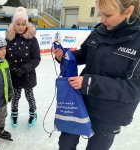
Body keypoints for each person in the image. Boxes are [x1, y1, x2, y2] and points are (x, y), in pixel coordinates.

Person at [54, 0, 140, 149]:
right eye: (100, 14)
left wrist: (89, 83)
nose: (102, 20)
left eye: (107, 15)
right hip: (82, 102)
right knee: (65, 144)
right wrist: (66, 56)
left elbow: (134, 89)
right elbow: (84, 54)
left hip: (110, 114)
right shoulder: (100, 30)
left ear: (128, 11)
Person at [5, 7, 41, 128]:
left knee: (29, 95)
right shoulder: (9, 39)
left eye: (23, 24)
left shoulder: (32, 40)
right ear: (13, 24)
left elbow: (36, 59)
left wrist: (24, 69)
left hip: (28, 74)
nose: (20, 27)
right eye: (18, 24)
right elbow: (4, 57)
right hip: (14, 75)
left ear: (27, 24)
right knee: (15, 96)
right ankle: (14, 114)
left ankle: (33, 113)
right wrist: (12, 67)